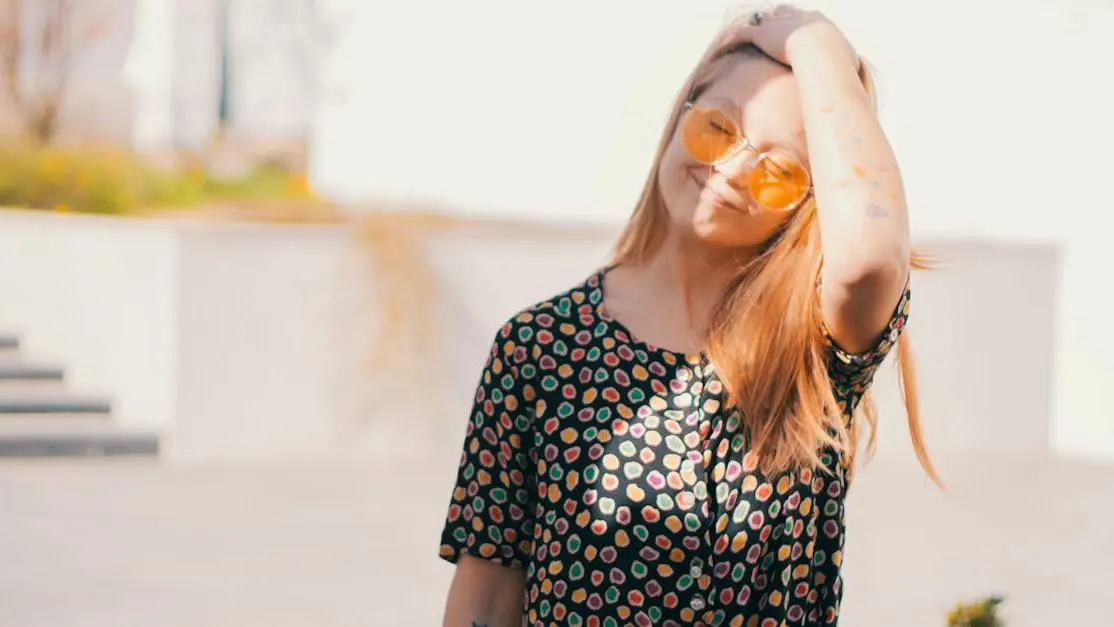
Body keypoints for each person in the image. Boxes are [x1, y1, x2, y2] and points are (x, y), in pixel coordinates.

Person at [439, 5, 941, 626]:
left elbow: (867, 256)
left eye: (780, 169)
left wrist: (820, 48)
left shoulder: (810, 348)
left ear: (813, 199)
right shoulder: (537, 349)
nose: (731, 172)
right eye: (716, 129)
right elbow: (486, 599)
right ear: (681, 115)